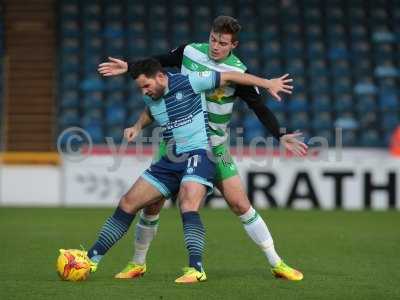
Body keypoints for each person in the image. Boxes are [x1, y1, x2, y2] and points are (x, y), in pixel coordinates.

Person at [98, 16, 306, 281]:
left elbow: (259, 106)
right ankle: (138, 263)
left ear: (234, 45)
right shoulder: (190, 52)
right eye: (213, 39)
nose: (215, 46)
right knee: (151, 205)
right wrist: (128, 67)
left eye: (222, 43)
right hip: (175, 143)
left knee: (240, 203)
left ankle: (277, 263)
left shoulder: (238, 71)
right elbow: (156, 65)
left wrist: (280, 135)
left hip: (213, 146)